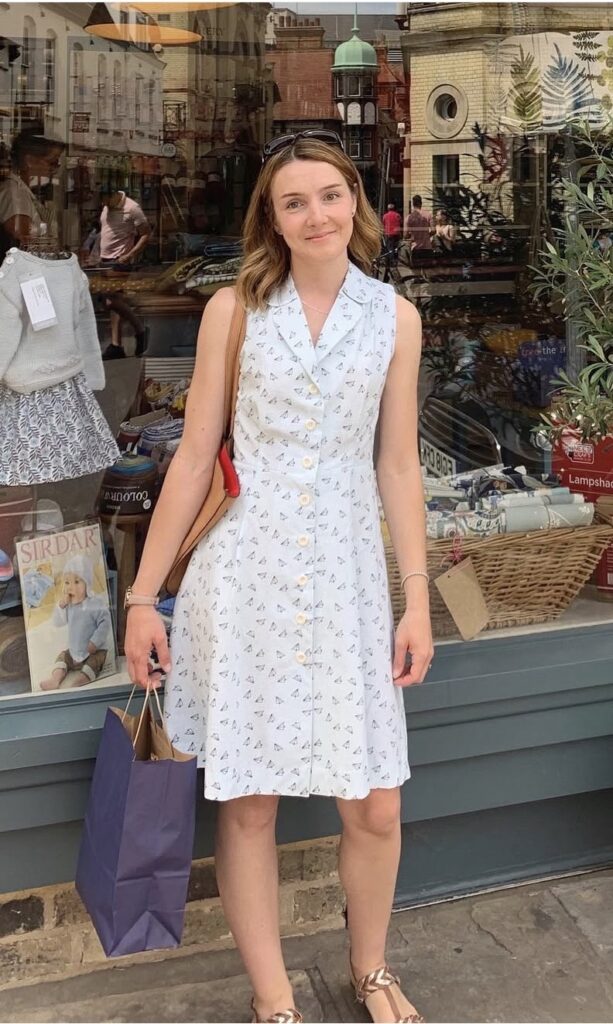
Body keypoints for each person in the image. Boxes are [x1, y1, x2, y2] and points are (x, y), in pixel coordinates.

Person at [124, 130, 433, 1024]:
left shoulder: (393, 318)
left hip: (346, 579)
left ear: (355, 203)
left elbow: (398, 464)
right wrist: (145, 597)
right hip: (245, 579)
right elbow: (193, 458)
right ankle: (273, 999)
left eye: (329, 195)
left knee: (374, 806)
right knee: (250, 802)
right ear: (271, 216)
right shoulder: (233, 311)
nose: (315, 215)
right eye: (293, 201)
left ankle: (369, 968)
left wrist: (415, 599)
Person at [40, 555, 110, 691]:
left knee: (95, 662)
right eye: (67, 582)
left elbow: (105, 623)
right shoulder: (69, 605)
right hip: (74, 651)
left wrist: (95, 642)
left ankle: (82, 679)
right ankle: (55, 679)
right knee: (62, 657)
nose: (71, 587)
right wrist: (61, 606)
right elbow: (57, 622)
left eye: (77, 582)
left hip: (94, 650)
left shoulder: (95, 603)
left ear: (87, 583)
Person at [98, 185, 151, 359]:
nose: (104, 204)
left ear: (115, 195)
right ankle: (116, 344)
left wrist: (129, 255)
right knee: (116, 301)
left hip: (120, 260)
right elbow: (105, 232)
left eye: (106, 200)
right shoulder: (107, 207)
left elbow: (145, 234)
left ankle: (140, 329)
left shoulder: (132, 208)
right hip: (105, 259)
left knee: (110, 300)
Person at [0, 131, 64, 258]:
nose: (55, 168)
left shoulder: (22, 190)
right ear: (30, 160)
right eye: (52, 162)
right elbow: (21, 244)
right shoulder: (16, 193)